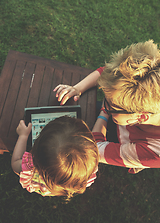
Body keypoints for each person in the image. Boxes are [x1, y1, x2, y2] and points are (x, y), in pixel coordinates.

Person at [54, 40, 160, 173]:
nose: (105, 100)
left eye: (110, 103)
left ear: (141, 116)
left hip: (129, 142)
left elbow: (93, 150)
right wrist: (77, 88)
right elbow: (109, 74)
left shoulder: (155, 151)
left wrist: (104, 111)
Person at [11, 116, 99, 198]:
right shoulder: (85, 171)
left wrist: (23, 135)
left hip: (42, 186)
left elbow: (15, 162)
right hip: (56, 189)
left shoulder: (30, 165)